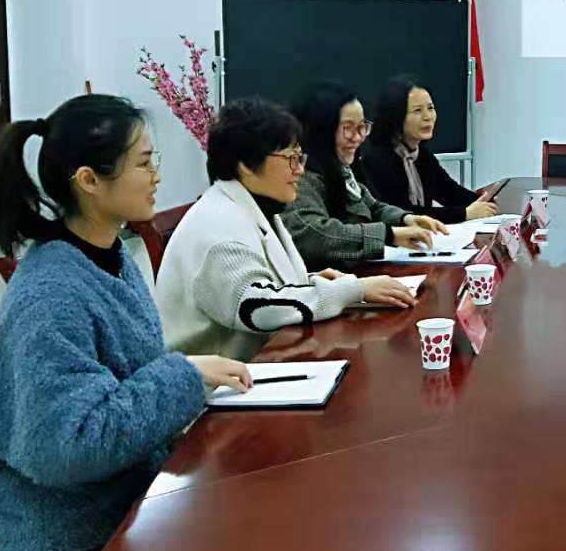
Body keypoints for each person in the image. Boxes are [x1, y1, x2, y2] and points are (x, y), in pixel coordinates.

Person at [0, 95, 261, 551]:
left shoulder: (110, 257)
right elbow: (68, 447)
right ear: (90, 181)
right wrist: (185, 376)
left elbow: (129, 387)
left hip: (120, 490)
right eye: (144, 163)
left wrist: (180, 383)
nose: (157, 176)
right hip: (62, 528)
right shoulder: (51, 291)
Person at [157, 97, 419, 360]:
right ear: (246, 165)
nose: (300, 170)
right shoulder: (219, 226)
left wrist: (310, 282)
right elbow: (259, 307)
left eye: (300, 157)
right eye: (291, 159)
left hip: (259, 362)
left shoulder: (252, 207)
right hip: (220, 381)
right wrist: (353, 290)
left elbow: (265, 286)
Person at [282, 81, 447, 269]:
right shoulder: (299, 175)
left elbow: (372, 207)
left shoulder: (340, 168)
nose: (358, 137)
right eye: (347, 128)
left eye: (362, 126)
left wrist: (405, 219)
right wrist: (388, 235)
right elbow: (313, 235)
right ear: (321, 130)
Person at [358, 75, 502, 223]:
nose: (427, 117)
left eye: (430, 108)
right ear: (396, 116)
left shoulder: (422, 156)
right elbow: (403, 213)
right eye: (417, 111)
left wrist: (484, 200)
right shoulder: (378, 160)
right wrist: (465, 213)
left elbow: (450, 192)